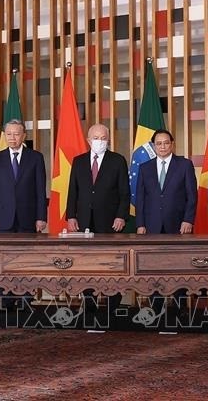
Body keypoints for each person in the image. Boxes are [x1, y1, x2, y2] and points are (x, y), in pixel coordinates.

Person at [66, 123, 130, 310]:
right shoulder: (78, 161)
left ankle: (112, 305)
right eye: (96, 138)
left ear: (108, 140)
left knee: (112, 265)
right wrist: (71, 215)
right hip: (84, 222)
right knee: (86, 264)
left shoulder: (117, 160)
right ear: (88, 140)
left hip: (110, 222)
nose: (99, 142)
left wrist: (121, 216)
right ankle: (89, 304)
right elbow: (73, 191)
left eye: (103, 138)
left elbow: (125, 193)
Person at [0, 119, 47, 309]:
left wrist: (41, 216)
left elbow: (40, 189)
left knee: (26, 259)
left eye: (16, 134)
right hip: (3, 218)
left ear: (24, 136)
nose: (12, 137)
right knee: (5, 259)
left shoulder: (35, 157)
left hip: (28, 218)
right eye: (9, 134)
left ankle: (26, 298)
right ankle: (6, 299)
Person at [136, 129, 197, 314]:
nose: (162, 146)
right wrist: (140, 224)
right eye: (159, 143)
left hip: (178, 225)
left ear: (172, 144)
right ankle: (156, 306)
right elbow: (140, 198)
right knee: (154, 267)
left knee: (178, 265)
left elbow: (192, 196)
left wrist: (188, 220)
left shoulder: (185, 165)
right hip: (151, 226)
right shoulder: (145, 167)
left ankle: (179, 307)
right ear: (154, 146)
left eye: (166, 143)